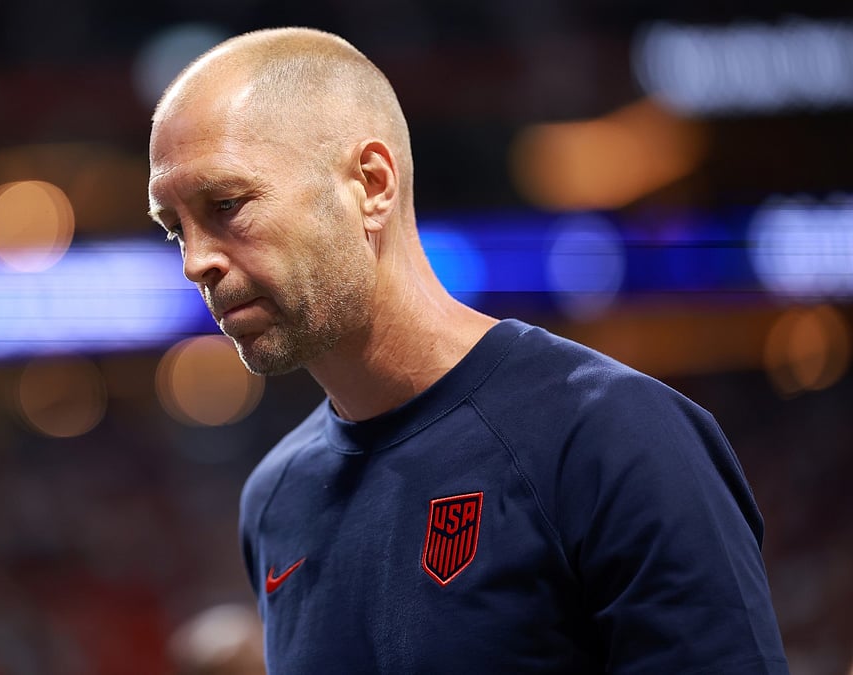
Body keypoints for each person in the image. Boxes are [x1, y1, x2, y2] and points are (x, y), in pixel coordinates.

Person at [147, 26, 788, 674]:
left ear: (370, 184)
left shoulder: (613, 435)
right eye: (176, 230)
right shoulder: (275, 499)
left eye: (226, 204)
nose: (196, 261)